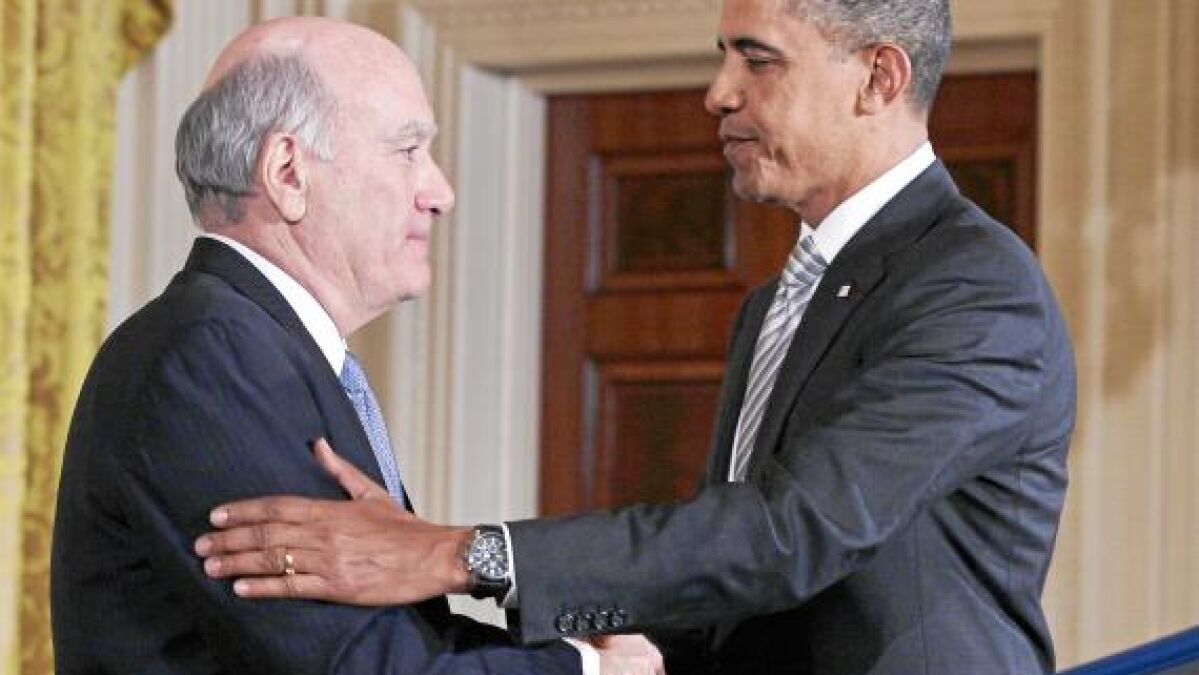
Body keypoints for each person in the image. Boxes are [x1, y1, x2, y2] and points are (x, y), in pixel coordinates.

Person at [193, 0, 1077, 673]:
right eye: (723, 57)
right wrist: (623, 650)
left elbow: (794, 530)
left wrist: (456, 554)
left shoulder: (973, 287)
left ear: (878, 78)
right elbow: (732, 587)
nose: (718, 92)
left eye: (756, 60)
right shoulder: (776, 301)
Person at [50, 16, 663, 675]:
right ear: (288, 172)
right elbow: (359, 663)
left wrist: (577, 655)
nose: (440, 192)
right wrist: (590, 670)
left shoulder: (257, 345)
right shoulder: (210, 356)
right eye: (408, 150)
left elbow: (392, 637)